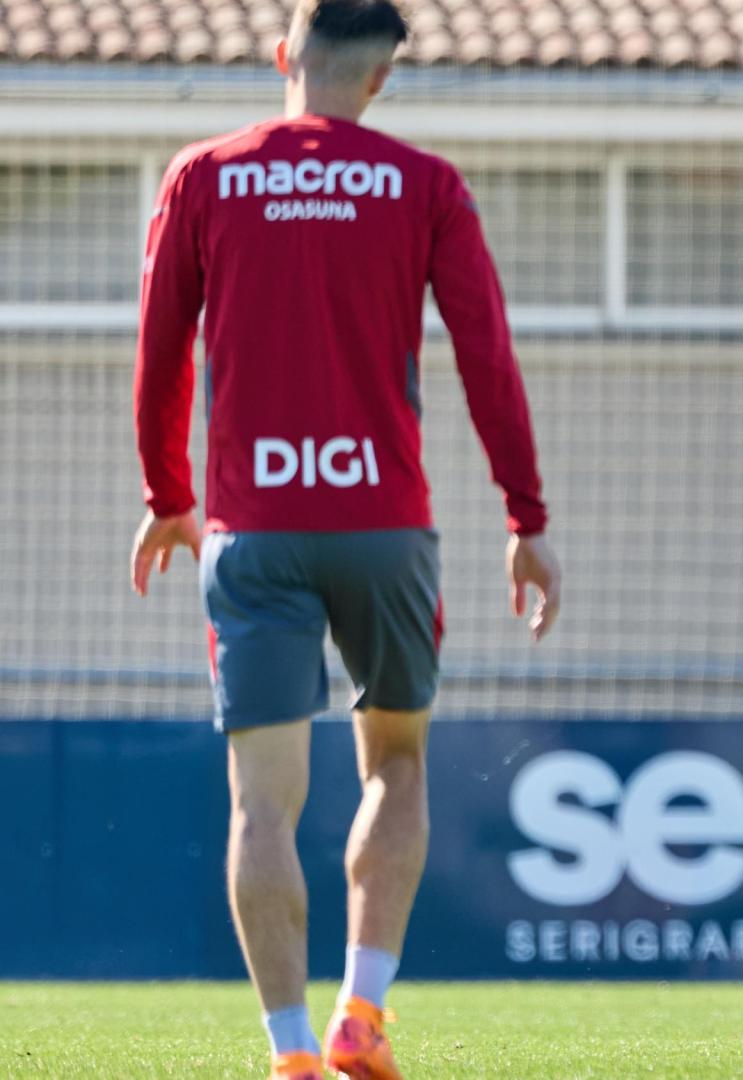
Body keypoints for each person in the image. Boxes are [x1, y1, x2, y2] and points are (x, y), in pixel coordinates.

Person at [128, 3, 561, 1077]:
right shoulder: (424, 185)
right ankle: (361, 1013)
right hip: (384, 528)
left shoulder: (205, 175)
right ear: (380, 80)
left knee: (261, 802)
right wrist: (526, 516)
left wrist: (168, 493)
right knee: (398, 765)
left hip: (255, 531)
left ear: (286, 57)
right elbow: (488, 357)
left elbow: (160, 350)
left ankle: (288, 1054)